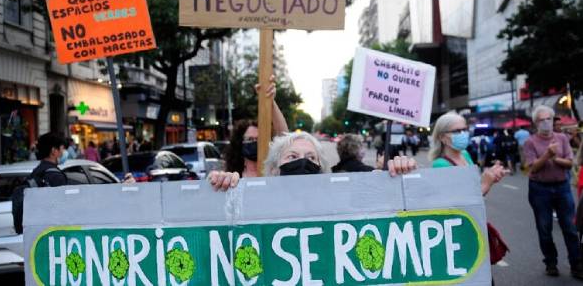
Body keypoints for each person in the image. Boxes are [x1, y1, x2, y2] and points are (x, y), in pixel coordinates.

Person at [209, 132, 417, 191]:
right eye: (292, 157)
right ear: (273, 169)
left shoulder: (340, 198)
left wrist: (398, 176)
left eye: (311, 158)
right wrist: (222, 186)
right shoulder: (252, 198)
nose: (302, 162)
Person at [524, 105, 582, 278]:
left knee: (570, 227)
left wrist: (555, 158)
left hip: (562, 186)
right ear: (535, 123)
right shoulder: (530, 142)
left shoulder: (562, 138)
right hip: (539, 189)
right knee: (544, 228)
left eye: (548, 118)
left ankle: (576, 264)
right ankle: (551, 262)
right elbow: (532, 168)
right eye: (542, 120)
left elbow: (570, 163)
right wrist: (547, 155)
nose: (546, 122)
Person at [223, 75, 288, 177]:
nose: (254, 143)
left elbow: (285, 137)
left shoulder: (274, 172)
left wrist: (270, 101)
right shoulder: (232, 176)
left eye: (258, 139)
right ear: (240, 142)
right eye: (250, 139)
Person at [429, 112, 507, 196]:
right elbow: (460, 200)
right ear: (442, 137)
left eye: (464, 130)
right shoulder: (440, 164)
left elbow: (473, 187)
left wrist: (489, 177)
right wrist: (485, 184)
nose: (463, 134)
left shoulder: (464, 154)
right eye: (457, 131)